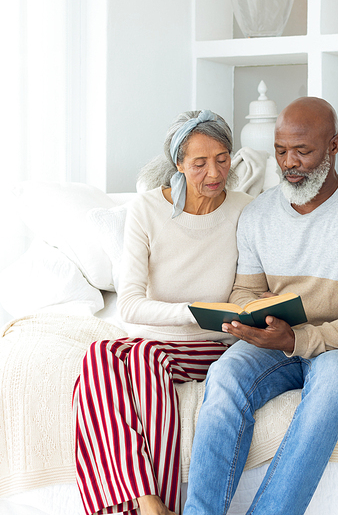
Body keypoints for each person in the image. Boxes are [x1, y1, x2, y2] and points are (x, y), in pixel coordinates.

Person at [183, 97, 338, 515]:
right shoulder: (259, 213)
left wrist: (297, 338)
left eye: (303, 151)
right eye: (281, 151)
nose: (290, 163)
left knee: (332, 379)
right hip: (279, 339)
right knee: (225, 371)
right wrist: (252, 318)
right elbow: (244, 292)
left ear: (333, 145)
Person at [73, 110, 252, 515]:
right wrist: (196, 310)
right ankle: (149, 502)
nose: (214, 172)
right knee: (99, 356)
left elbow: (253, 287)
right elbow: (130, 302)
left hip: (211, 345)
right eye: (199, 163)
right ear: (178, 164)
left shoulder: (246, 209)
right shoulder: (146, 209)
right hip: (151, 336)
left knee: (143, 358)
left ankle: (152, 505)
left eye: (222, 158)